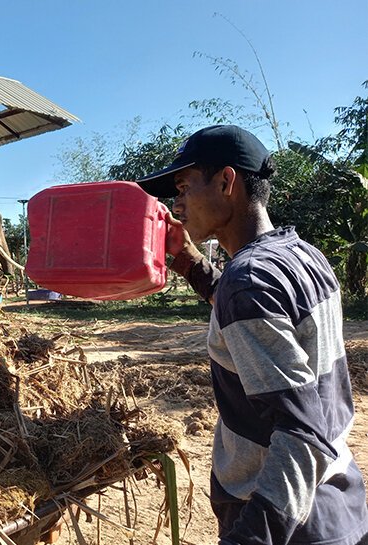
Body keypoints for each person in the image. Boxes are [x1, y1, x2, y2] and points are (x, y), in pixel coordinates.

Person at [137, 125, 368, 545]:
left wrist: (251, 538)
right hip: (340, 502)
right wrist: (187, 259)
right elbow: (250, 310)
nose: (177, 203)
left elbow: (301, 434)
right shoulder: (304, 256)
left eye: (185, 187)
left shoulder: (247, 282)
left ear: (227, 181)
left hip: (287, 521)